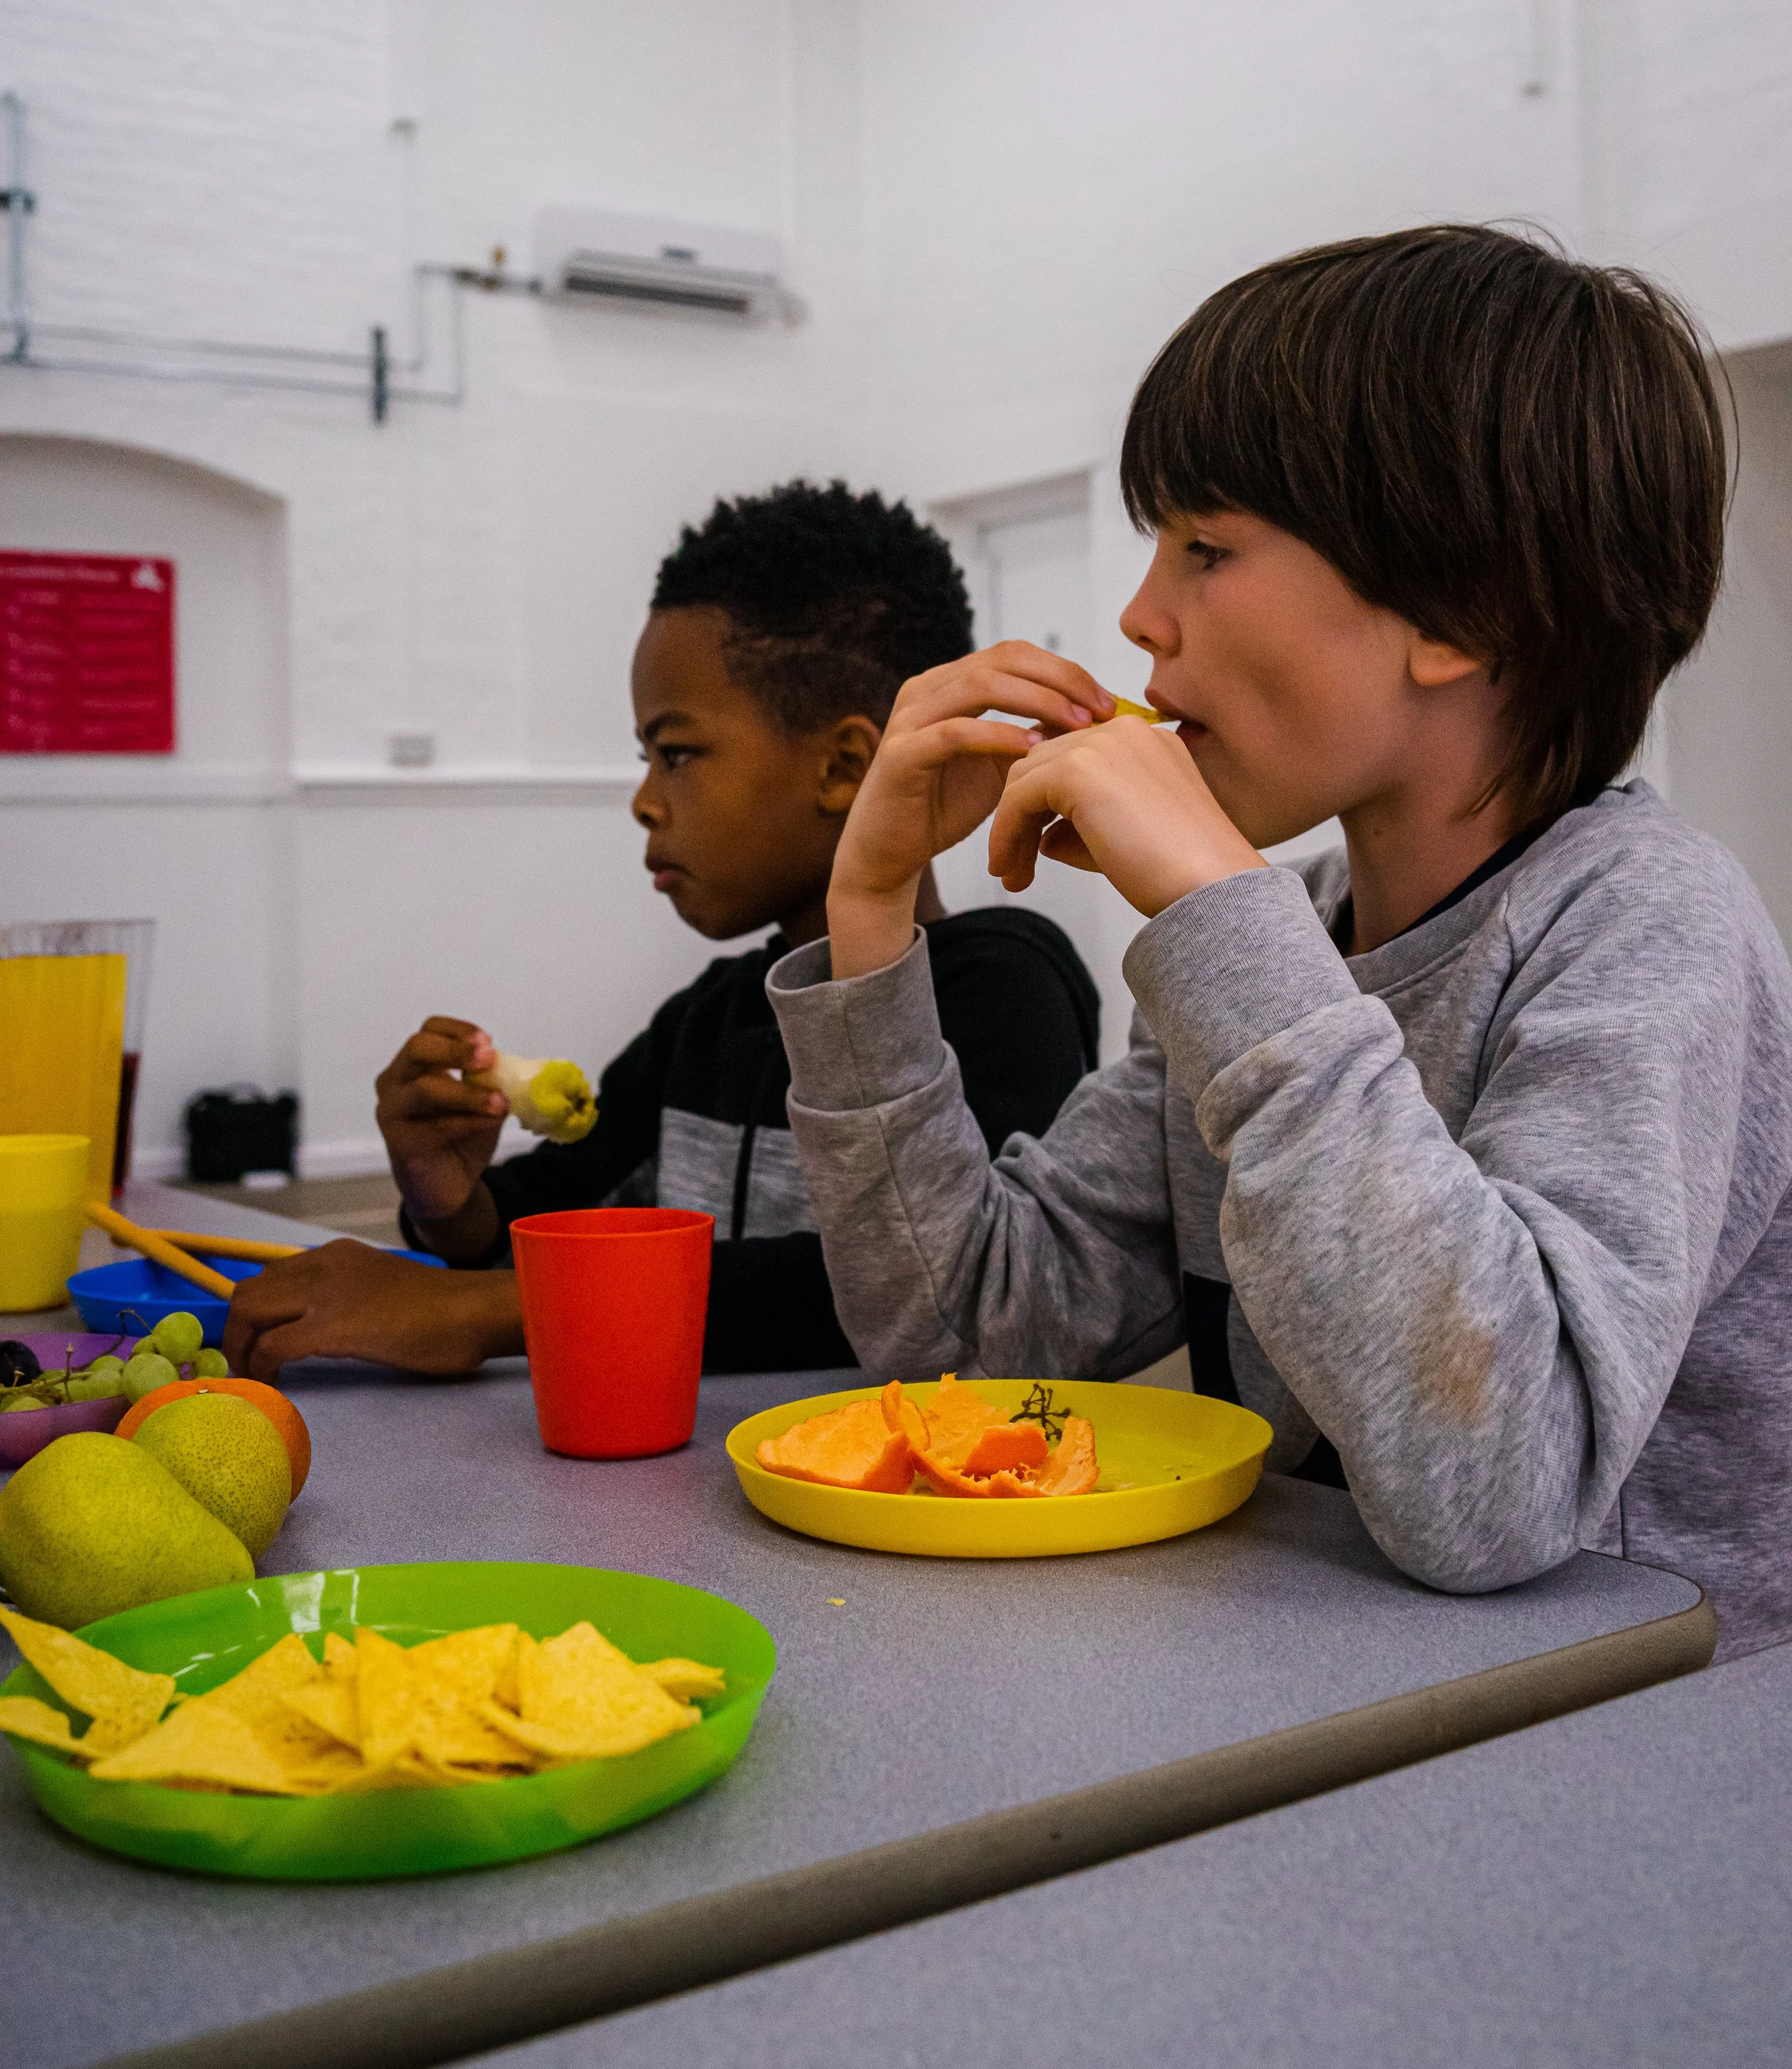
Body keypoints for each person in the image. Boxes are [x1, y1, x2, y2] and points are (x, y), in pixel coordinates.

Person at [764, 227, 1792, 1658]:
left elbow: (1496, 1491)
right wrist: (870, 913)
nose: (1139, 615)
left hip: (1626, 1730)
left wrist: (1216, 911)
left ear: (1466, 611)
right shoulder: (1272, 938)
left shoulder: (1645, 925)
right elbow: (971, 1340)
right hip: (1324, 1690)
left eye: (1205, 547)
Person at [222, 482, 1099, 1384]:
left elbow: (923, 1293)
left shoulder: (1001, 986)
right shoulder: (709, 1020)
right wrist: (448, 1198)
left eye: (676, 753)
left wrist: (488, 1312)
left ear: (843, 767)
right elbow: (547, 1217)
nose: (645, 801)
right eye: (644, 757)